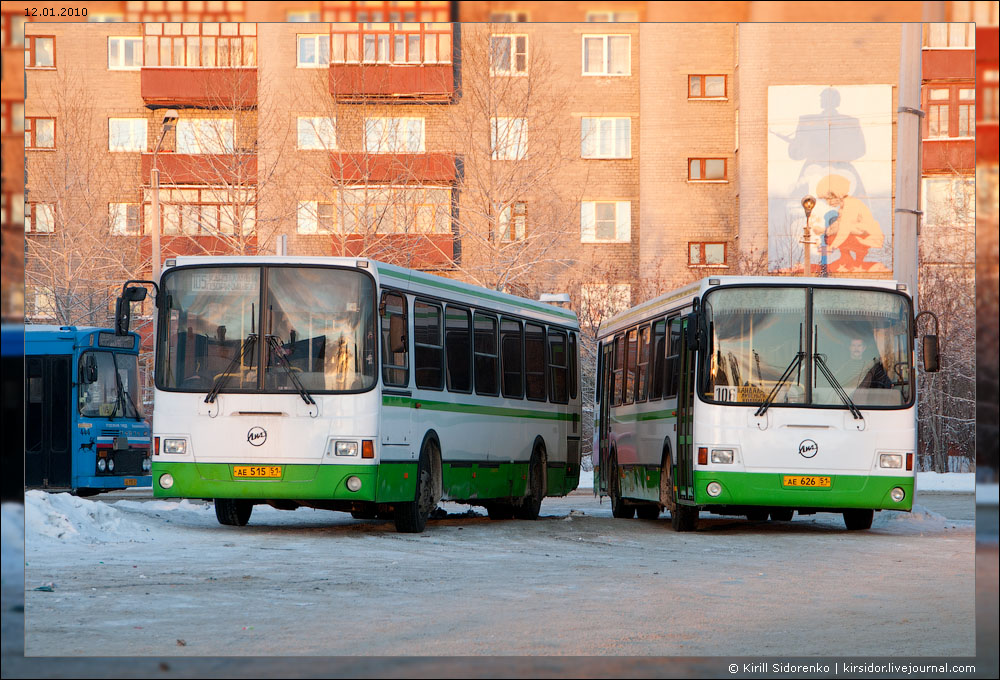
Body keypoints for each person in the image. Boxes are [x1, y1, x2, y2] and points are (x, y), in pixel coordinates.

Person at [815, 173, 884, 272]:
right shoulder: (845, 206)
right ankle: (848, 259)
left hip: (869, 239)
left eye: (829, 198)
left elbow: (844, 229)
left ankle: (855, 261)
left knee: (834, 234)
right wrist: (824, 230)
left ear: (837, 193)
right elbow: (839, 225)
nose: (828, 203)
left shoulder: (851, 205)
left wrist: (831, 247)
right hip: (860, 235)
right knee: (832, 231)